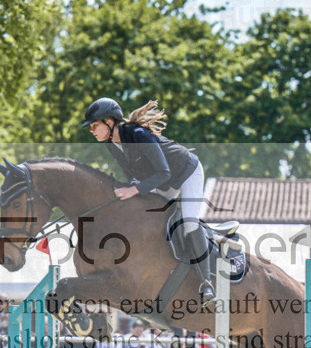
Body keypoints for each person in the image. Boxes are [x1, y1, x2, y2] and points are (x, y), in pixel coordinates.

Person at [82, 97, 215, 307]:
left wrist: (134, 189)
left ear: (110, 122)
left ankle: (207, 282)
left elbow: (164, 172)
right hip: (161, 181)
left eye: (94, 125)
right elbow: (134, 175)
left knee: (189, 222)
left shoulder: (137, 134)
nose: (91, 130)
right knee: (143, 216)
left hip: (186, 173)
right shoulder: (112, 145)